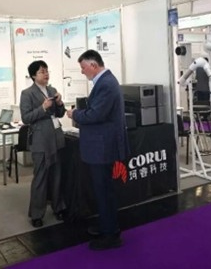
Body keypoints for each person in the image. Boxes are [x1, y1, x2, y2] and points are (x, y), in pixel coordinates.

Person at [66, 49, 129, 251]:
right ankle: (106, 226)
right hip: (101, 147)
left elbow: (95, 115)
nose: (82, 71)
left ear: (93, 65)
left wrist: (75, 114)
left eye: (83, 67)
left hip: (103, 148)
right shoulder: (104, 82)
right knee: (103, 191)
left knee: (104, 192)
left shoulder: (106, 84)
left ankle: (110, 235)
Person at [20, 60, 67, 228]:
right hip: (40, 139)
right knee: (40, 176)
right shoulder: (27, 93)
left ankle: (58, 207)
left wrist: (60, 103)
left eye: (47, 71)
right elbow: (26, 118)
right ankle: (37, 214)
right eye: (42, 72)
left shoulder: (52, 90)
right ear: (33, 76)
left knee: (57, 175)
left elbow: (60, 114)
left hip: (56, 137)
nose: (46, 74)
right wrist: (43, 108)